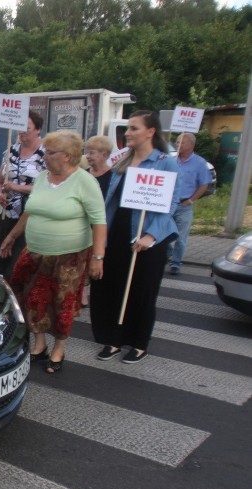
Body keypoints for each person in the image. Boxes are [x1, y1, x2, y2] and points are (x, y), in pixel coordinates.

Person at [0, 130, 106, 374]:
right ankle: (39, 345)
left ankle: (58, 348)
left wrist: (98, 257)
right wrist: (12, 236)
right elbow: (31, 210)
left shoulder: (85, 182)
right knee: (31, 298)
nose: (44, 156)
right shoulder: (42, 178)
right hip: (35, 250)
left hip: (69, 255)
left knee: (62, 303)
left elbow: (99, 221)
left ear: (67, 156)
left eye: (50, 152)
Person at [90, 110, 182, 364]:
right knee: (115, 287)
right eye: (127, 128)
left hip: (147, 238)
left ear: (151, 132)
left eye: (134, 128)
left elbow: (172, 204)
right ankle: (115, 338)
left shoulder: (165, 162)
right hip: (118, 234)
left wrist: (151, 235)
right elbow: (111, 201)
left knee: (142, 291)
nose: (127, 133)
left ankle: (139, 342)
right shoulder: (123, 161)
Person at [0, 111, 46, 279]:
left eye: (27, 128)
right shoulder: (10, 152)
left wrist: (17, 187)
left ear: (38, 129)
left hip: (30, 217)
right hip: (7, 214)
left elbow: (47, 188)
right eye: (20, 127)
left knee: (19, 262)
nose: (22, 131)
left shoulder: (46, 154)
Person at [167, 132, 211, 276]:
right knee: (163, 233)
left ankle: (176, 263)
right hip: (168, 204)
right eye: (177, 142)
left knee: (181, 237)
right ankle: (167, 255)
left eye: (182, 142)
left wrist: (191, 200)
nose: (178, 145)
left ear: (191, 145)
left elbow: (204, 184)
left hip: (184, 205)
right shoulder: (171, 160)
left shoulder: (199, 163)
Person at [80, 135, 114, 306]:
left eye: (91, 152)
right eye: (87, 152)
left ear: (105, 154)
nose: (88, 156)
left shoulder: (113, 177)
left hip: (102, 225)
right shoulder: (83, 175)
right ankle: (83, 291)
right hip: (83, 225)